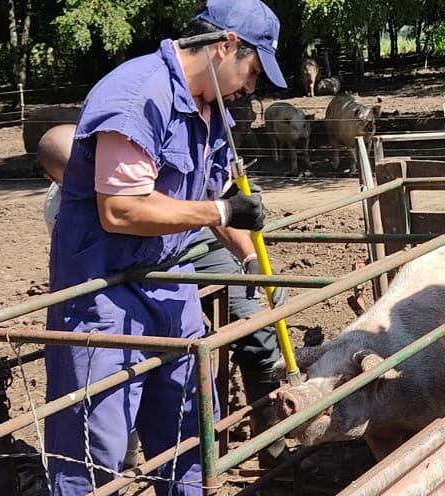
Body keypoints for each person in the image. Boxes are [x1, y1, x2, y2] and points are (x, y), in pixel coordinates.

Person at [42, 0, 286, 496]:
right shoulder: (136, 95)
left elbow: (223, 197)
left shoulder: (213, 109)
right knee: (95, 439)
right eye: (253, 71)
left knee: (188, 416)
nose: (250, 89)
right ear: (226, 47)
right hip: (105, 286)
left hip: (168, 280)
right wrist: (213, 213)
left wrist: (251, 258)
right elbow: (121, 209)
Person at [35, 121, 289, 467]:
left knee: (255, 331)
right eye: (75, 175)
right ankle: (129, 453)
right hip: (132, 271)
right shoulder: (61, 210)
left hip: (195, 243)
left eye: (89, 165)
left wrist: (249, 257)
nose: (90, 178)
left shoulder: (132, 162)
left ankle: (271, 444)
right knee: (131, 361)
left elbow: (212, 206)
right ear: (55, 179)